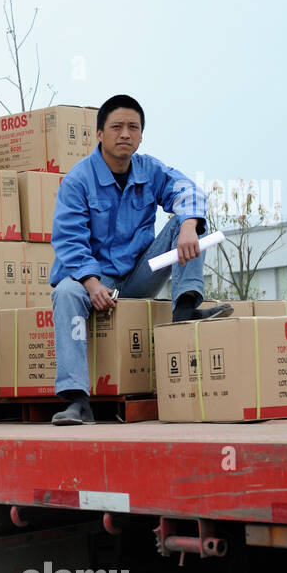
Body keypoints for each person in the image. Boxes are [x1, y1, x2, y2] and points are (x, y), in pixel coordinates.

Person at [49, 94, 231, 426]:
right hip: (91, 279)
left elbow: (187, 190)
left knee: (183, 222)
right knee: (64, 294)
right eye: (116, 126)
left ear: (141, 135)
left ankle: (185, 309)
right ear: (100, 133)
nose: (125, 134)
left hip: (138, 274)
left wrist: (189, 224)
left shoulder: (149, 170)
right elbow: (68, 239)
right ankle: (78, 401)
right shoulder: (78, 181)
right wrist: (91, 284)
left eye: (133, 127)